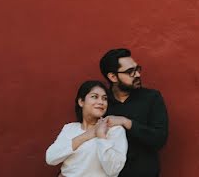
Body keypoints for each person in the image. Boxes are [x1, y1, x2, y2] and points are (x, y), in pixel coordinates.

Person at [99, 48, 169, 177]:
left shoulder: (152, 98)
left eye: (137, 69)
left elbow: (159, 138)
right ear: (113, 77)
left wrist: (127, 123)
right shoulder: (101, 102)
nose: (137, 75)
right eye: (130, 72)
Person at [46, 80, 128, 177]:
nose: (101, 102)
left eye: (104, 98)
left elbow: (113, 169)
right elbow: (51, 158)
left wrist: (101, 136)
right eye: (94, 97)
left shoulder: (115, 130)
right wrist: (88, 135)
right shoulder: (70, 128)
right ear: (81, 102)